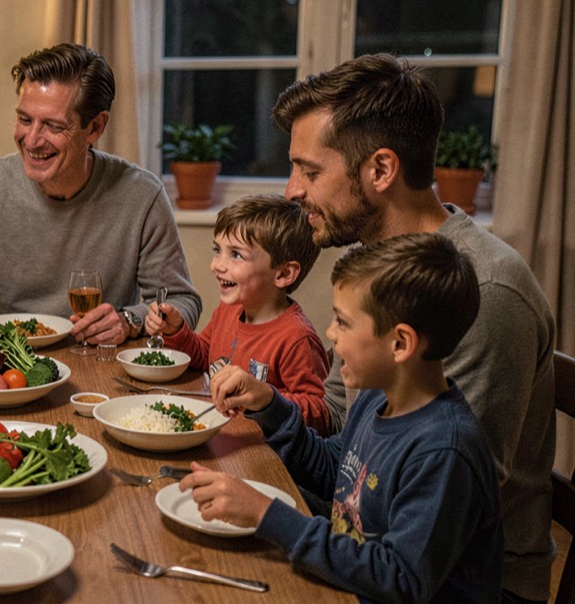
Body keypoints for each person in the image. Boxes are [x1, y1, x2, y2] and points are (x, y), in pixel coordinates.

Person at [275, 53, 556, 602]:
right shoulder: (372, 271)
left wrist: (283, 518)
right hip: (367, 527)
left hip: (464, 582)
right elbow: (342, 426)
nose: (292, 190)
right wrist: (265, 415)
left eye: (310, 171)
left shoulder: (483, 289)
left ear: (381, 170)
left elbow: (440, 499)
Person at [182, 233, 502, 602]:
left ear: (400, 343)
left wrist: (267, 514)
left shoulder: (444, 451)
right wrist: (269, 406)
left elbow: (400, 580)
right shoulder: (377, 397)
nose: (330, 333)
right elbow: (335, 471)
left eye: (343, 322)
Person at [0, 43, 200, 345]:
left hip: (100, 364)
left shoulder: (142, 196)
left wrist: (130, 321)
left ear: (95, 127)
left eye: (53, 126)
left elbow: (182, 302)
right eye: (25, 120)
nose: (32, 140)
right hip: (9, 361)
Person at [143, 193, 330, 434]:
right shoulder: (228, 310)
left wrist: (265, 398)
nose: (217, 265)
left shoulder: (297, 338)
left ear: (284, 274)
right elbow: (204, 357)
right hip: (223, 434)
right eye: (218, 250)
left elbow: (320, 414)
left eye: (236, 255)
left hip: (262, 451)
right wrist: (176, 331)